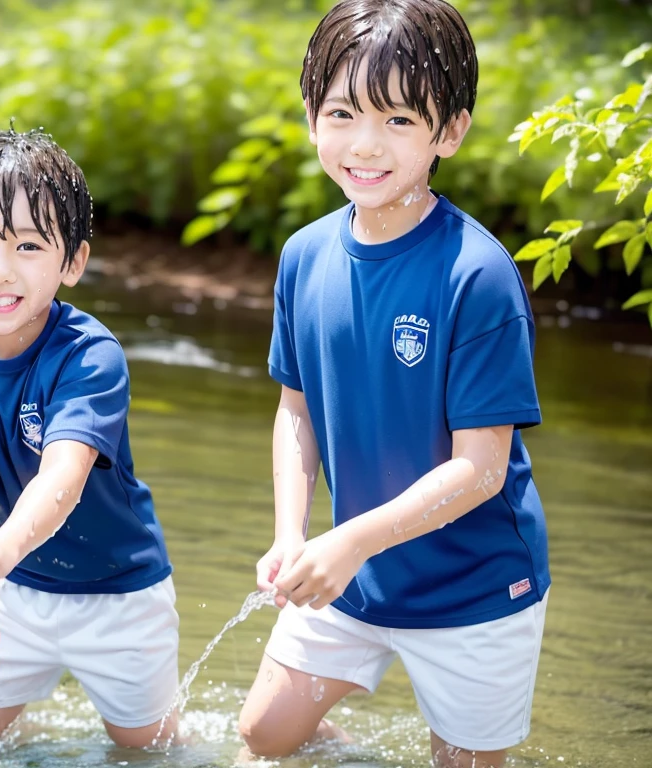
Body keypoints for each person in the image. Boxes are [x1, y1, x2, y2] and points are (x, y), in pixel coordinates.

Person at [238, 2, 550, 766]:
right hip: (355, 574)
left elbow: (479, 472)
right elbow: (295, 412)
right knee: (262, 737)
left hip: (475, 589)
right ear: (312, 117)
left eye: (400, 120)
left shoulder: (476, 276)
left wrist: (349, 540)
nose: (365, 144)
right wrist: (292, 534)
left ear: (450, 132)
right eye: (343, 112)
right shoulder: (304, 256)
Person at [0, 128, 179, 748]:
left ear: (73, 262)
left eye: (28, 246)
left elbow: (63, 476)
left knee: (151, 753)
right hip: (11, 590)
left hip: (120, 594)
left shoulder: (91, 357)